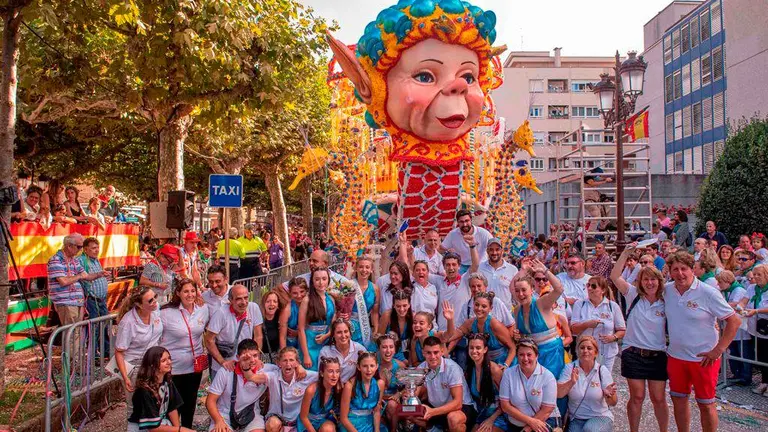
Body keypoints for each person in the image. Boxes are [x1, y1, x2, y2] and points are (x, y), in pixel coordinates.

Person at [665, 251, 742, 432]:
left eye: (684, 269)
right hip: (676, 357)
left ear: (693, 269)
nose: (680, 273)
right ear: (669, 271)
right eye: (675, 269)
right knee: (678, 400)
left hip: (703, 359)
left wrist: (718, 350)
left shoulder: (707, 292)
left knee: (706, 404)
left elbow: (734, 320)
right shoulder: (667, 290)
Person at [610, 245, 669, 432]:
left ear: (659, 281)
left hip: (658, 353)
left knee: (659, 398)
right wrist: (626, 253)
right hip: (634, 352)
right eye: (645, 280)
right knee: (637, 397)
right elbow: (614, 277)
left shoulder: (666, 298)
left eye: (653, 279)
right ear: (640, 281)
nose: (649, 283)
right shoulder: (633, 294)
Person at [159, 278, 209, 428]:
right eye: (186, 291)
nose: (190, 295)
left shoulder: (203, 309)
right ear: (178, 293)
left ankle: (187, 428)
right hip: (173, 368)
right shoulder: (166, 313)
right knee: (173, 406)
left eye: (193, 291)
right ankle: (175, 429)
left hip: (195, 366)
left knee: (190, 401)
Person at [513, 260, 566, 380]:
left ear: (532, 289)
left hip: (551, 353)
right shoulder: (517, 310)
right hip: (530, 355)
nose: (520, 294)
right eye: (517, 291)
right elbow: (523, 334)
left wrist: (545, 271)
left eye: (524, 290)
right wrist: (518, 335)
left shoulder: (541, 303)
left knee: (551, 385)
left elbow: (559, 289)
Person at [114, 286, 163, 412]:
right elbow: (119, 352)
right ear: (139, 305)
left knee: (155, 403)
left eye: (155, 297)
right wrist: (125, 377)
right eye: (150, 300)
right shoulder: (128, 322)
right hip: (134, 366)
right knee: (135, 406)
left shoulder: (156, 311)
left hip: (154, 364)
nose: (155, 302)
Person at [206, 339, 272, 432]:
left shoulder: (268, 370)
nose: (252, 360)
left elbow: (285, 370)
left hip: (251, 414)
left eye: (255, 355)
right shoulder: (226, 371)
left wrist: (298, 368)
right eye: (246, 358)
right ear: (238, 357)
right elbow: (210, 401)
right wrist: (218, 420)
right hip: (224, 415)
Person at [412, 336, 477, 432]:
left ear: (442, 351)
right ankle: (435, 430)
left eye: (436, 352)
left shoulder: (452, 368)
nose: (433, 356)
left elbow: (458, 403)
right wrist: (409, 396)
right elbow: (414, 394)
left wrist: (432, 412)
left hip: (462, 407)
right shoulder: (421, 368)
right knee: (412, 413)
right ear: (423, 353)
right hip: (436, 407)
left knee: (453, 418)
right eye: (429, 353)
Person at [556, 336, 617, 432]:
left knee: (590, 430)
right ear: (577, 351)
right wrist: (571, 382)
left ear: (595, 353)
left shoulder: (602, 370)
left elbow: (613, 403)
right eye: (582, 348)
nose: (585, 351)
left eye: (589, 348)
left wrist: (608, 395)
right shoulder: (569, 368)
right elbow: (559, 394)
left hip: (600, 416)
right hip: (576, 418)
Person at [499, 338, 561, 432]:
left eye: (529, 355)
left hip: (543, 421)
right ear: (517, 356)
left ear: (536, 356)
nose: (525, 358)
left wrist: (527, 429)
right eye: (521, 355)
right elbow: (505, 406)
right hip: (517, 424)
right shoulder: (508, 374)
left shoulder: (548, 377)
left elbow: (547, 410)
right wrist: (530, 421)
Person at [205, 284, 264, 380]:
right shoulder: (221, 313)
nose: (244, 302)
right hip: (224, 366)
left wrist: (256, 358)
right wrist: (222, 362)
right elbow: (208, 340)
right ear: (230, 300)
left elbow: (258, 336)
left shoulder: (253, 308)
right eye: (239, 299)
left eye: (246, 298)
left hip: (246, 364)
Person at [127, 346, 193, 432]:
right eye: (163, 361)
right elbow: (152, 428)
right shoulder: (144, 391)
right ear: (152, 365)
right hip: (143, 428)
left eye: (169, 358)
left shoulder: (168, 382)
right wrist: (180, 430)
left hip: (161, 423)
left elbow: (172, 408)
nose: (169, 362)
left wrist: (177, 429)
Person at [570, 276, 625, 372]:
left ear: (603, 290)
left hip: (606, 353)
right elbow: (573, 330)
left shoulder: (612, 306)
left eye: (594, 286)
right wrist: (587, 324)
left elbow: (622, 330)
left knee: (604, 381)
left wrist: (613, 337)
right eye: (588, 285)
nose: (590, 288)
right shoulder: (580, 304)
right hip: (585, 352)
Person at [453, 291, 516, 366]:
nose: (479, 308)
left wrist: (505, 365)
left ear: (490, 308)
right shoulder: (470, 323)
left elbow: (512, 347)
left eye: (484, 306)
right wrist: (450, 320)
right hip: (483, 363)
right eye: (476, 305)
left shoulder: (495, 324)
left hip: (502, 362)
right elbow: (452, 336)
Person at [264, 347, 319, 432]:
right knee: (272, 424)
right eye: (284, 360)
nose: (288, 363)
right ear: (278, 363)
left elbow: (324, 376)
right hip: (278, 420)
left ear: (297, 362)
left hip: (297, 422)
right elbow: (255, 374)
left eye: (291, 360)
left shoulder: (305, 375)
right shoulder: (273, 374)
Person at [47, 234, 98, 325]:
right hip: (66, 302)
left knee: (76, 333)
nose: (81, 250)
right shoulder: (56, 260)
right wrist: (79, 276)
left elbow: (86, 276)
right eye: (79, 247)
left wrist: (100, 274)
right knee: (71, 334)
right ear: (69, 246)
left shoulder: (74, 260)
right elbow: (63, 281)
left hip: (77, 302)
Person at [715, 270, 752, 386]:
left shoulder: (738, 290)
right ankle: (736, 374)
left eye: (720, 282)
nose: (718, 285)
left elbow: (734, 304)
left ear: (727, 281)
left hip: (741, 328)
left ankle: (745, 376)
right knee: (733, 351)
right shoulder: (725, 291)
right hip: (730, 328)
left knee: (743, 352)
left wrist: (719, 304)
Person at [465, 333, 507, 432]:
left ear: (485, 349)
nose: (474, 351)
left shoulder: (494, 369)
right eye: (471, 348)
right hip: (483, 413)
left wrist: (491, 420)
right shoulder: (470, 369)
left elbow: (507, 400)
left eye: (478, 348)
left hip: (501, 414)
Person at [299, 268, 338, 370]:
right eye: (317, 279)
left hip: (326, 342)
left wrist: (327, 335)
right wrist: (306, 355)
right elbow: (301, 328)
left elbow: (333, 324)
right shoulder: (307, 300)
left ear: (328, 280)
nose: (321, 283)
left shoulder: (331, 299)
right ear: (312, 281)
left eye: (324, 279)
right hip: (310, 343)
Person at [79, 237, 112, 354]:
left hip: (101, 299)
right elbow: (85, 277)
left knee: (105, 325)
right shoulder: (82, 260)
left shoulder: (96, 260)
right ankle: (93, 355)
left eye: (97, 247)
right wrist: (99, 275)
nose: (97, 250)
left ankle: (106, 351)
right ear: (85, 249)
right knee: (95, 328)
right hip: (92, 300)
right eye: (93, 248)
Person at [339, 352, 385, 432]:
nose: (369, 370)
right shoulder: (349, 385)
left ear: (377, 367)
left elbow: (377, 411)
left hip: (369, 422)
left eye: (372, 366)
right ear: (358, 367)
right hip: (352, 424)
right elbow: (343, 418)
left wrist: (377, 430)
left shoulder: (380, 384)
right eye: (364, 366)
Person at [742, 264, 768, 396]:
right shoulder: (752, 288)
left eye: (759, 275)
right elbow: (744, 301)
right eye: (755, 275)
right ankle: (764, 381)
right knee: (761, 356)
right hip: (755, 328)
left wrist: (756, 310)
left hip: (766, 326)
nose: (756, 277)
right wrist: (740, 307)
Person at [441, 209, 493, 274]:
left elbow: (494, 248)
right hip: (462, 266)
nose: (465, 224)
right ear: (458, 222)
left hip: (481, 265)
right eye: (461, 222)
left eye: (467, 221)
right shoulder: (453, 234)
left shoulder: (484, 234)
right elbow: (441, 249)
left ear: (471, 220)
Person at [299, 356, 341, 432]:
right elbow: (303, 417)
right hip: (308, 422)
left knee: (328, 429)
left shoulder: (338, 389)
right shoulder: (311, 390)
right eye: (330, 371)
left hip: (325, 421)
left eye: (337, 371)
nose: (334, 375)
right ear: (322, 373)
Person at [345, 256, 380, 347]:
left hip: (365, 326)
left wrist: (376, 329)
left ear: (371, 270)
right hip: (350, 326)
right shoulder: (349, 285)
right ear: (356, 268)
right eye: (361, 267)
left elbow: (375, 312)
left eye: (367, 267)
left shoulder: (375, 289)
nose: (364, 270)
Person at [478, 238, 519, 310]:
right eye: (491, 249)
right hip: (485, 314)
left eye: (497, 249)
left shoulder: (513, 270)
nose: (494, 252)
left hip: (506, 315)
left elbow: (516, 294)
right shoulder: (480, 268)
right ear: (487, 251)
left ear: (502, 251)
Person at [376, 333, 405, 432]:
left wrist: (399, 394)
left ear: (395, 349)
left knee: (392, 405)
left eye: (391, 347)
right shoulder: (373, 365)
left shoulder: (400, 365)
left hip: (393, 401)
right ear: (379, 349)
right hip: (376, 402)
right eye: (384, 347)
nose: (388, 351)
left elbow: (410, 386)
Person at [377, 290, 413, 361]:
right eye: (398, 306)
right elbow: (379, 339)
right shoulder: (387, 316)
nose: (402, 309)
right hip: (388, 353)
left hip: (407, 353)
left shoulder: (413, 317)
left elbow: (414, 341)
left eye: (404, 305)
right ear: (393, 305)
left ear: (409, 305)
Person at [279, 277, 308, 353]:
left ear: (307, 291)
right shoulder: (287, 309)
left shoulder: (311, 305)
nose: (299, 295)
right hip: (292, 347)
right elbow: (283, 336)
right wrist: (284, 355)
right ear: (289, 292)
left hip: (309, 344)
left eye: (302, 291)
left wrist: (298, 332)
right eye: (295, 293)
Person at [260, 290, 282, 363]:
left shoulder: (281, 319)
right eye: (268, 301)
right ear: (263, 304)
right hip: (261, 358)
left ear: (278, 305)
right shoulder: (258, 319)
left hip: (276, 358)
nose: (271, 304)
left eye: (275, 301)